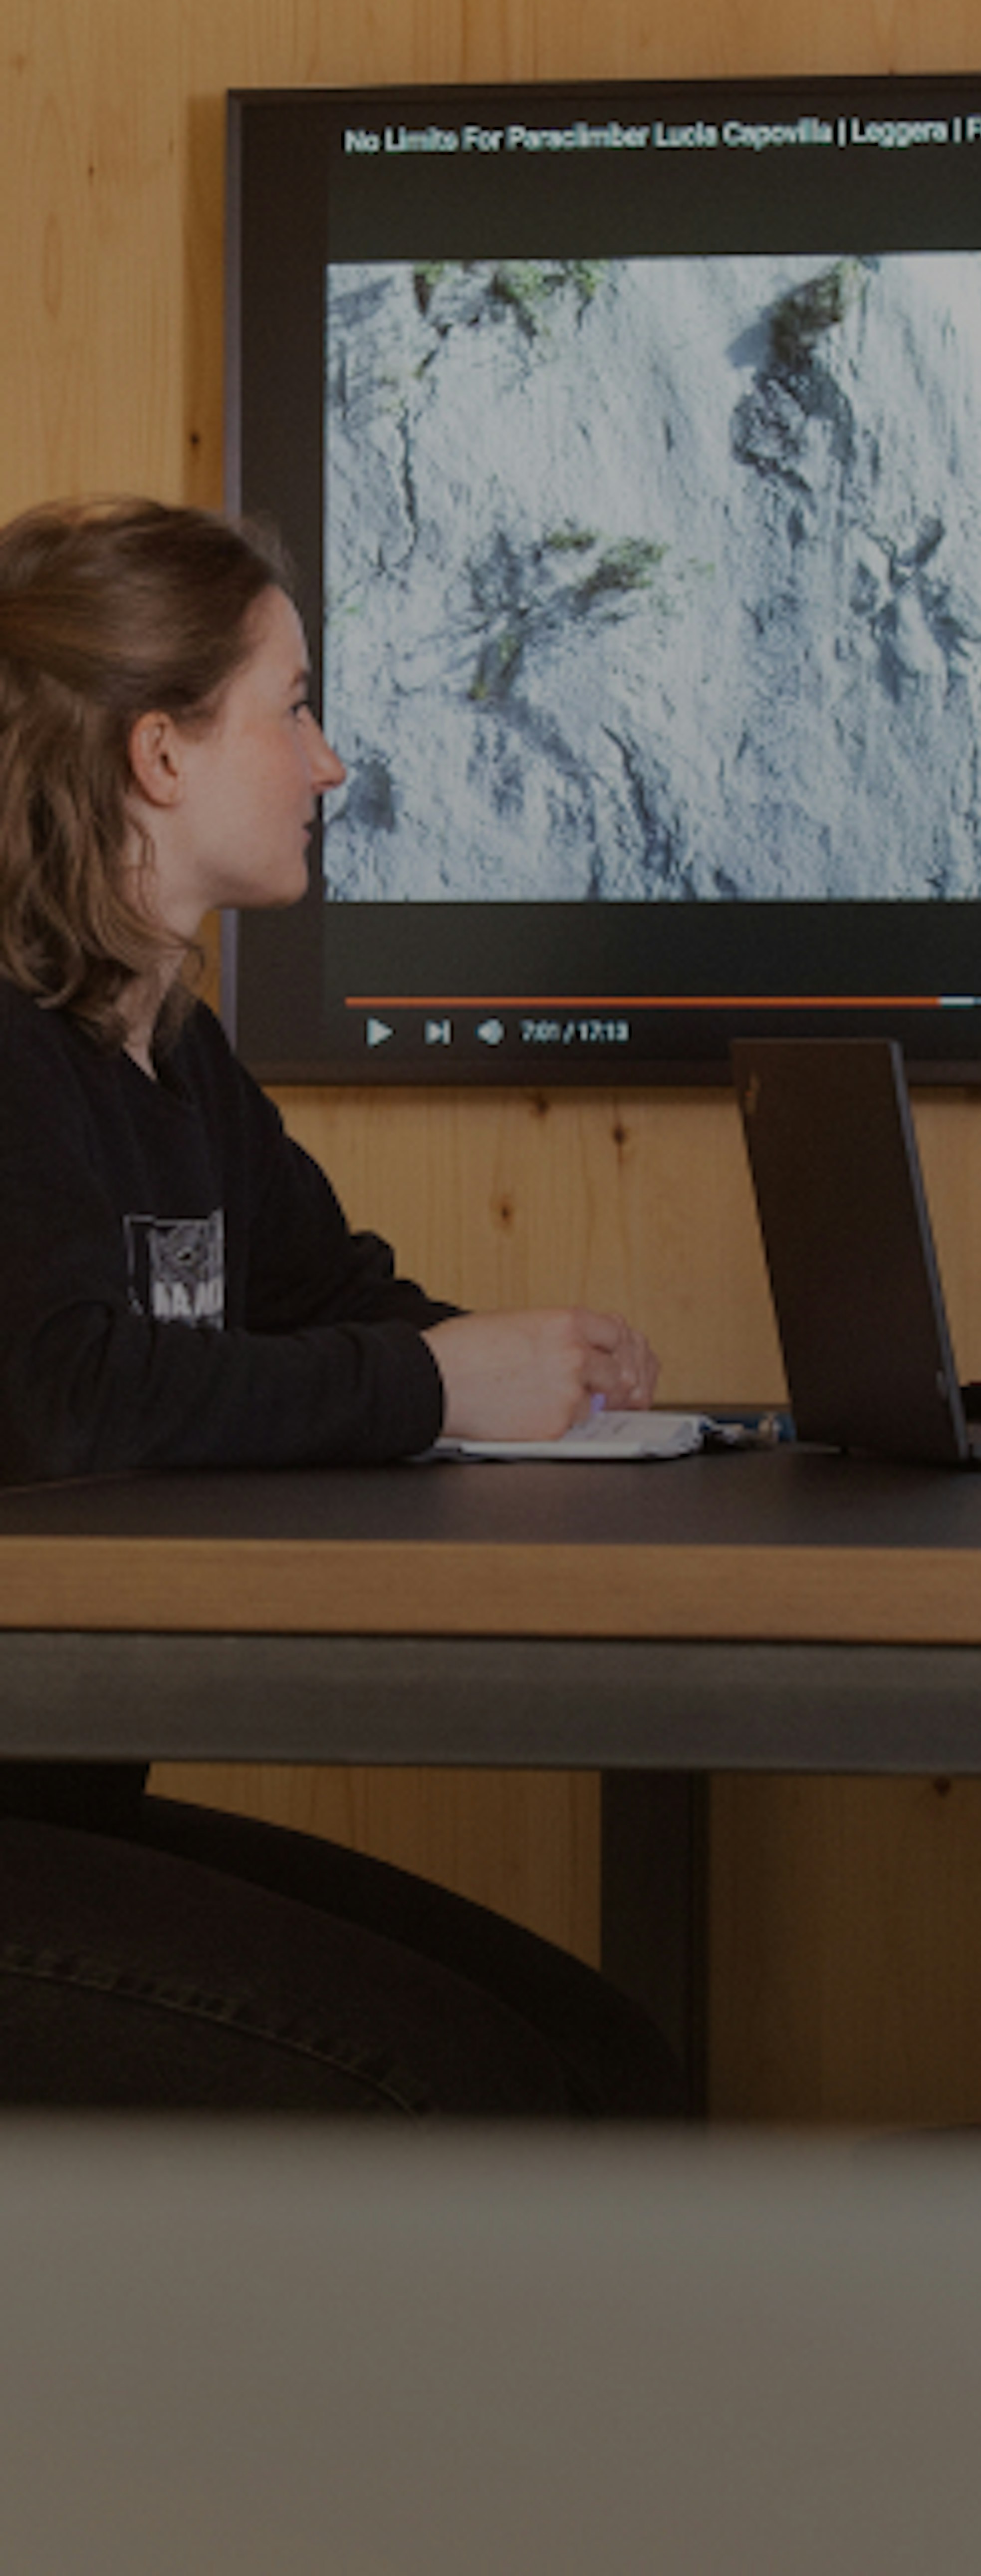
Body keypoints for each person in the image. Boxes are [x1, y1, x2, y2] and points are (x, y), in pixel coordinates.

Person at [0, 493, 683, 2112]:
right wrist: (444, 1386)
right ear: (160, 754)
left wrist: (560, 1384)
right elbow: (66, 1397)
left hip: (51, 1809)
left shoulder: (168, 1049)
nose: (328, 762)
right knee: (488, 2097)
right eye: (294, 708)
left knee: (606, 2060)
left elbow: (330, 1298)